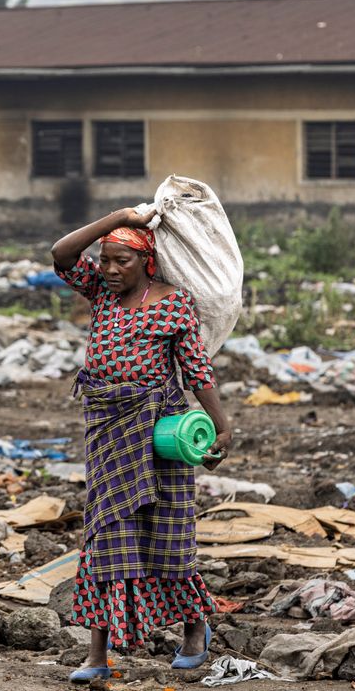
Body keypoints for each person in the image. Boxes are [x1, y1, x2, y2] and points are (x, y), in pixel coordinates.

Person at [51, 207, 234, 683]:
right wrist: (115, 218)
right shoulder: (100, 293)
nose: (110, 270)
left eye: (121, 262)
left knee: (167, 538)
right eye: (106, 260)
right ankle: (96, 654)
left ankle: (195, 631)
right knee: (104, 537)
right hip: (107, 428)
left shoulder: (173, 304)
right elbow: (61, 253)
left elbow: (196, 369)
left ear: (146, 262)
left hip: (160, 428)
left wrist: (222, 426)